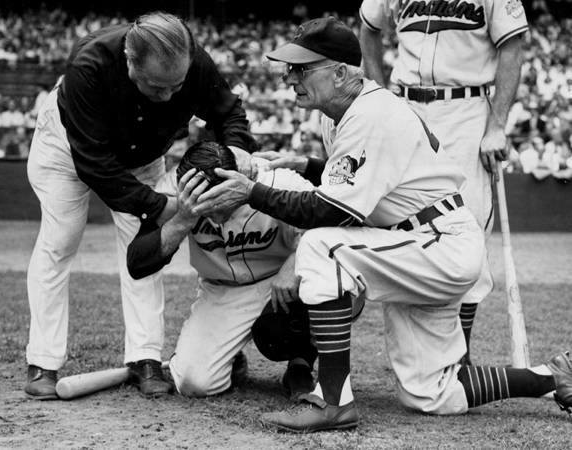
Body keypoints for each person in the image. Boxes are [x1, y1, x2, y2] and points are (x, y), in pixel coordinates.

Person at [190, 17, 572, 433]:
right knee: (433, 393)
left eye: (301, 68)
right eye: (288, 67)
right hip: (417, 243)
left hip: (435, 242)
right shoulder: (338, 111)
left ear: (339, 72)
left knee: (322, 246)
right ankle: (553, 376)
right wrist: (311, 165)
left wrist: (251, 192)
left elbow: (333, 211)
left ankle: (333, 402)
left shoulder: (370, 113)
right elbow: (377, 179)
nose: (289, 76)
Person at [24, 11, 258, 400]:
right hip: (68, 149)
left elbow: (229, 111)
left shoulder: (191, 59)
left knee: (144, 243)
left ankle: (144, 357)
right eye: (156, 87)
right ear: (131, 63)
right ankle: (43, 360)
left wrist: (236, 150)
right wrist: (161, 207)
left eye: (176, 87)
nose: (168, 97)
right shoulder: (90, 66)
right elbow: (96, 166)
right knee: (61, 238)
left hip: (145, 153)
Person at [359, 0, 529, 365]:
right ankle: (414, 348)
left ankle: (459, 358)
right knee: (401, 226)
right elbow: (369, 29)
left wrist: (497, 124)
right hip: (405, 108)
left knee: (468, 226)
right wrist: (379, 90)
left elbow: (513, 46)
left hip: (465, 111)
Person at [126, 141, 317, 399]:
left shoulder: (277, 180)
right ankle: (231, 357)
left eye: (220, 202)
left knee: (330, 278)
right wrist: (183, 218)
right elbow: (137, 263)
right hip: (223, 290)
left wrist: (295, 261)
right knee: (194, 383)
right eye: (207, 205)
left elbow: (332, 223)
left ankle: (301, 362)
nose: (214, 215)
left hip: (281, 282)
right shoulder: (174, 192)